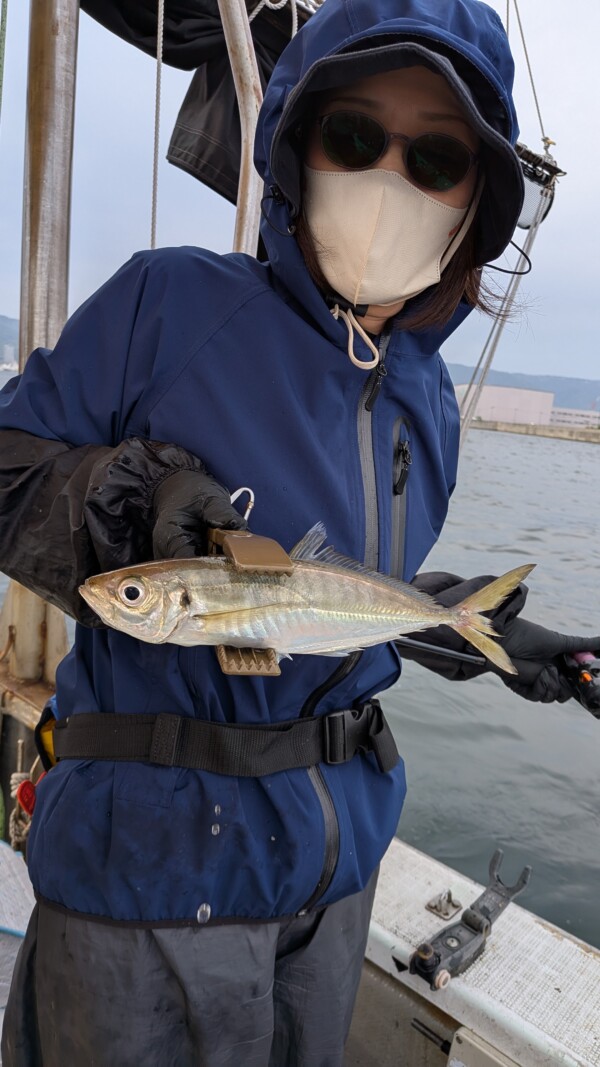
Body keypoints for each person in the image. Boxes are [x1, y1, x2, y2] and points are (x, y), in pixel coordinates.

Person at [0, 1, 598, 1064]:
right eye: (357, 137)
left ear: (477, 197)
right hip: (146, 877)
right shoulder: (168, 301)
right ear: (298, 142)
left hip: (332, 886)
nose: (388, 182)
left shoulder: (430, 404)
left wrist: (472, 631)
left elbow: (332, 596)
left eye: (437, 157)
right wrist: (125, 501)